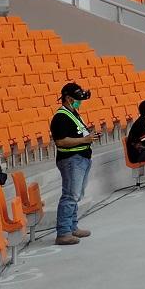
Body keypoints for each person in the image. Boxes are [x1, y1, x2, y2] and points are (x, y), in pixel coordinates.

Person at [50, 82, 96, 245]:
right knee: (70, 195)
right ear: (68, 99)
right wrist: (85, 139)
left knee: (77, 195)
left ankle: (72, 227)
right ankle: (63, 232)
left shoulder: (74, 113)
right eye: (77, 100)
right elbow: (61, 142)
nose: (79, 102)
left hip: (81, 159)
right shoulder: (60, 117)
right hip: (71, 161)